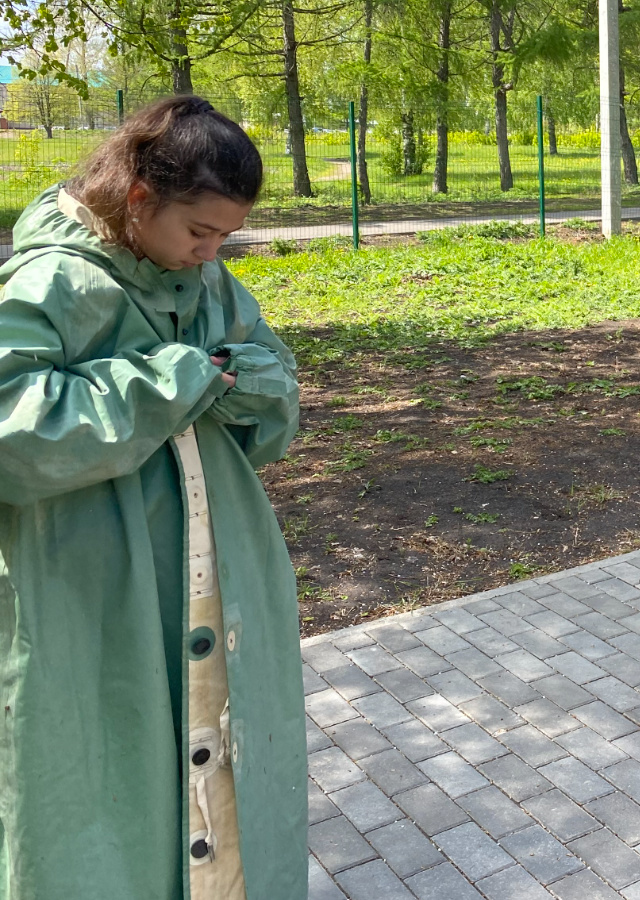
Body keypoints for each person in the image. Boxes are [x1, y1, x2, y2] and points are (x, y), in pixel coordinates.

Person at [0, 97, 305, 898]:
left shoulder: (206, 280)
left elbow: (273, 391)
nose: (210, 255)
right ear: (138, 199)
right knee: (110, 783)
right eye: (199, 232)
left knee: (223, 773)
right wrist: (162, 382)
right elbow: (10, 426)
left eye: (224, 238)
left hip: (219, 575)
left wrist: (257, 386)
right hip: (95, 593)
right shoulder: (50, 282)